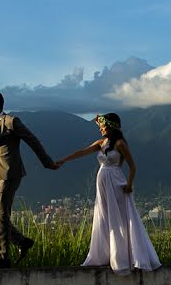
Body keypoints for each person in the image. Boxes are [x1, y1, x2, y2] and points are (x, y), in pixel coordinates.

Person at [55, 113, 161, 275]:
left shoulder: (120, 144)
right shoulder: (101, 143)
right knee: (104, 216)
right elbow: (82, 152)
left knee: (120, 217)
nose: (101, 130)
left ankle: (126, 256)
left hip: (116, 181)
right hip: (103, 182)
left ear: (112, 127)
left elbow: (133, 166)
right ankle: (105, 255)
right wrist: (64, 160)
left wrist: (129, 184)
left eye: (103, 127)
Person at [0, 89, 58, 268]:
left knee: (2, 213)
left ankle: (4, 257)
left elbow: (32, 140)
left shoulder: (11, 122)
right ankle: (22, 241)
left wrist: (47, 162)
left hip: (10, 175)